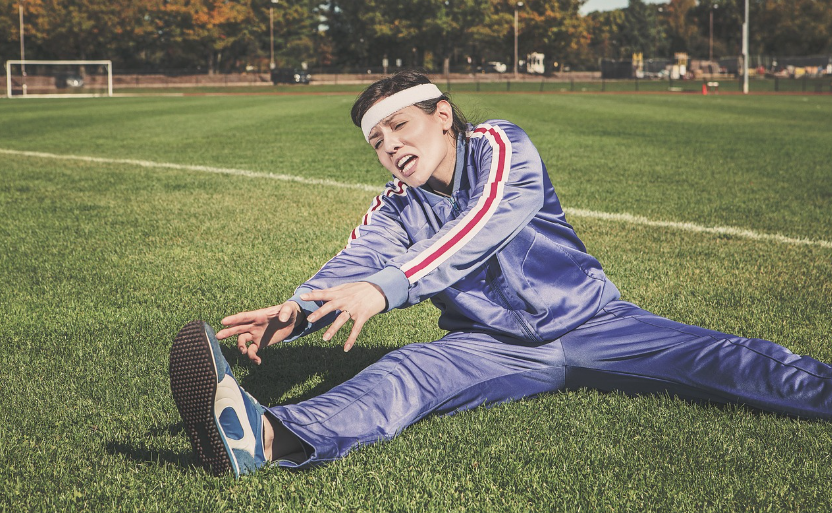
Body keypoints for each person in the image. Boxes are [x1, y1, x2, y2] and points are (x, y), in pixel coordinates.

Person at [169, 70, 832, 478]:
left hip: (597, 322)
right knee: (402, 374)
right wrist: (298, 310)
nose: (392, 147)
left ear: (442, 115)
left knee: (730, 360)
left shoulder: (501, 145)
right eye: (377, 141)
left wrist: (388, 286)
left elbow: (484, 222)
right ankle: (265, 436)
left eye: (400, 126)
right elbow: (355, 263)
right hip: (490, 347)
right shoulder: (394, 207)